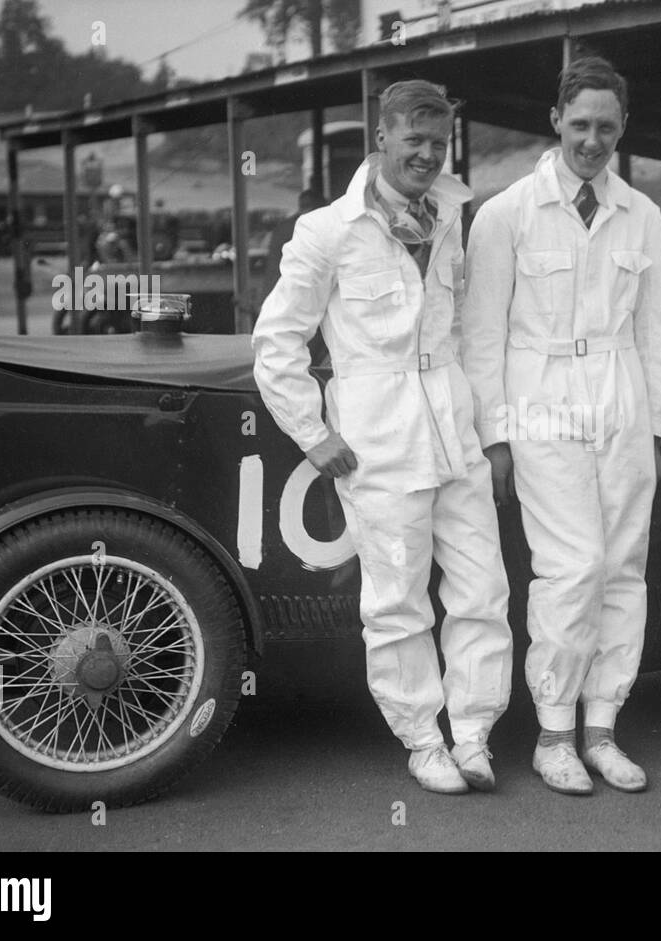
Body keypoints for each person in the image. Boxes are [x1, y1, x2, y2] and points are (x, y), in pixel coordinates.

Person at [252, 80, 513, 795]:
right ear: (383, 139)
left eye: (439, 143)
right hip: (379, 436)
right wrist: (311, 431)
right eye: (414, 141)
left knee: (483, 589)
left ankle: (476, 731)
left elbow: (464, 331)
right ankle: (424, 739)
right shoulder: (328, 230)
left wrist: (489, 433)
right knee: (397, 600)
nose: (427, 155)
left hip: (452, 427)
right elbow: (277, 341)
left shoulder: (453, 215)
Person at [463, 56, 661, 796]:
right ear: (555, 121)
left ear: (622, 129)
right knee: (572, 564)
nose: (592, 139)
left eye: (606, 127)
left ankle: (602, 727)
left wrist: (653, 425)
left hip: (621, 396)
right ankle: (553, 731)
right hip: (539, 397)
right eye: (579, 123)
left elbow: (656, 331)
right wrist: (494, 436)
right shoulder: (505, 213)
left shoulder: (641, 215)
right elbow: (481, 336)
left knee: (623, 568)